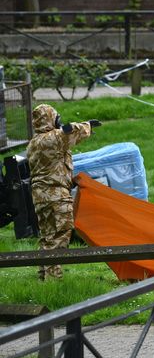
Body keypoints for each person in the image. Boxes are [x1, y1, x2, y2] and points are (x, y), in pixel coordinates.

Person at [26, 104, 101, 280]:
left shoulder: (33, 143)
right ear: (52, 119)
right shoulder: (54, 138)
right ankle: (53, 279)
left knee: (47, 237)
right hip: (56, 196)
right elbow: (74, 130)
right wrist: (88, 125)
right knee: (61, 236)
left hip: (39, 197)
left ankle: (43, 276)